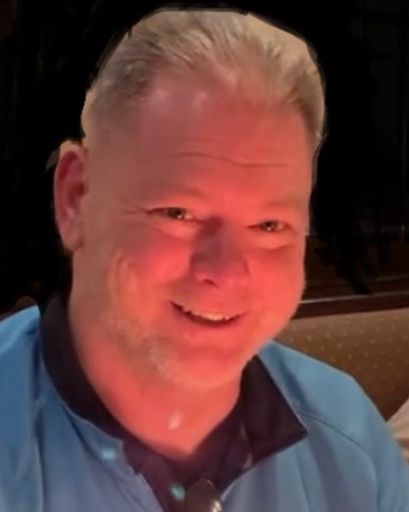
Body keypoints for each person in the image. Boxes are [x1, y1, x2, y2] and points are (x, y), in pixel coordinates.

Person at [0, 8, 408, 512]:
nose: (226, 272)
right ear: (75, 198)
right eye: (179, 213)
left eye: (270, 225)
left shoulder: (346, 439)